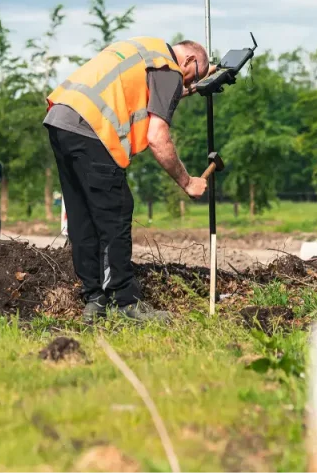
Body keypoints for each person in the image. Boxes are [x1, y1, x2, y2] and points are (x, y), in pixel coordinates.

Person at [44, 36, 211, 323]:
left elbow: (134, 91)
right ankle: (125, 302)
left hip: (62, 118)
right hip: (92, 130)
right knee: (115, 212)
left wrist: (186, 89)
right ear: (188, 61)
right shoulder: (169, 70)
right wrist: (187, 182)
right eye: (192, 77)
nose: (185, 85)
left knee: (82, 213)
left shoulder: (147, 49)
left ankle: (94, 299)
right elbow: (157, 137)